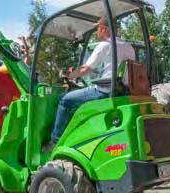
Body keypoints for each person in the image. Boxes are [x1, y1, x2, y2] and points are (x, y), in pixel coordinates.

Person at [43, 16, 136, 151]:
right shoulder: (128, 47)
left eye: (97, 28)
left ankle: (55, 141)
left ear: (104, 29)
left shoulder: (104, 45)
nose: (97, 31)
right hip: (122, 92)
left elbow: (85, 69)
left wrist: (68, 75)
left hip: (104, 91)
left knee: (65, 100)